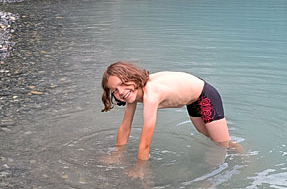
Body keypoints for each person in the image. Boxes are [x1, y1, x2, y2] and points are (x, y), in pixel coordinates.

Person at [101, 61, 238, 164]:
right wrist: (117, 153)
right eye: (115, 90)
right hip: (191, 101)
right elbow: (125, 127)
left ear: (132, 77)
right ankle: (233, 150)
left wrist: (140, 168)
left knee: (222, 143)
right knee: (210, 136)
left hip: (205, 96)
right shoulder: (132, 92)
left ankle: (243, 158)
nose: (121, 92)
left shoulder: (151, 94)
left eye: (122, 83)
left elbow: (146, 141)